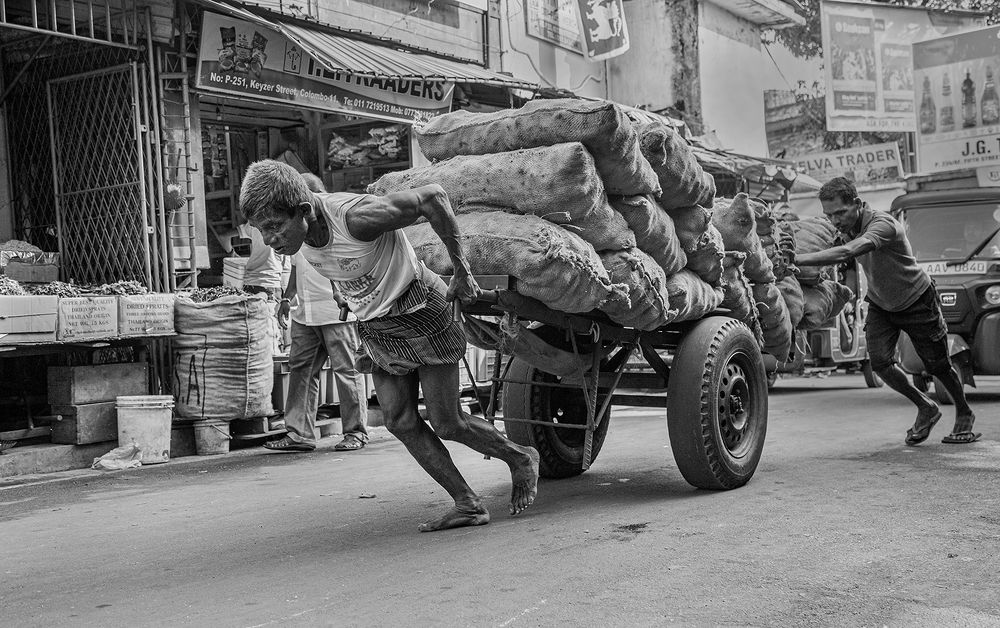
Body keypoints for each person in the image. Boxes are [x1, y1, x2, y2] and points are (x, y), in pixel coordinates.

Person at [239, 159, 539, 532]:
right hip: (379, 326)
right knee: (399, 420)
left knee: (448, 422)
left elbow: (434, 198)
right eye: (261, 230)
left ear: (303, 211)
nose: (269, 240)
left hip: (422, 311)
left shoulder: (357, 219)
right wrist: (342, 289)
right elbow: (334, 261)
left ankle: (521, 457)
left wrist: (462, 270)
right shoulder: (301, 233)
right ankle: (468, 502)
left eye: (273, 227)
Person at [797, 177, 981, 445]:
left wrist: (797, 260)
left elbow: (849, 251)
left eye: (840, 213)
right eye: (829, 215)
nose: (835, 220)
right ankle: (926, 407)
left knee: (938, 365)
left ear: (857, 204)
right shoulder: (842, 228)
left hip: (916, 298)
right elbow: (828, 243)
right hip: (882, 303)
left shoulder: (883, 225)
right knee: (880, 362)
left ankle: (964, 412)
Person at [265, 172, 369, 453]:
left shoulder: (332, 228)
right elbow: (297, 269)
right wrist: (287, 298)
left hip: (335, 311)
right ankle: (299, 433)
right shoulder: (294, 230)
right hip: (305, 312)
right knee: (300, 371)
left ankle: (356, 432)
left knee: (346, 371)